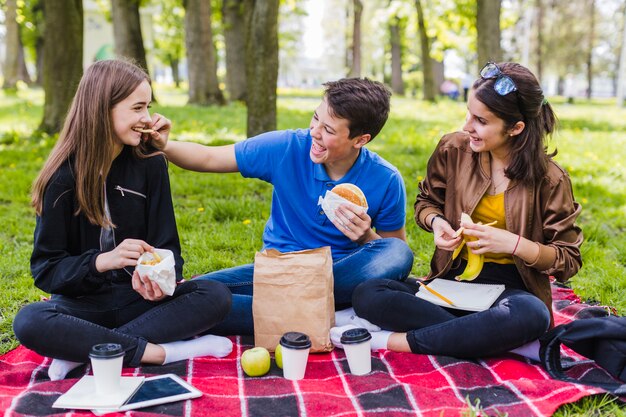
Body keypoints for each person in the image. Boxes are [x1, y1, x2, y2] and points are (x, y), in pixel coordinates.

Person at [331, 62, 583, 359]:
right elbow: (426, 202)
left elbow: (568, 260)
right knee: (369, 293)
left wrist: (513, 244)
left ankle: (388, 341)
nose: (467, 126)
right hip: (451, 283)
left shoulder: (551, 179)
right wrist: (436, 222)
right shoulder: (453, 150)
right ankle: (492, 339)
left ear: (516, 128)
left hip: (509, 292)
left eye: (480, 120)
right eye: (468, 113)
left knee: (531, 314)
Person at [12, 59, 233, 381]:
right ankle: (162, 353)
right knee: (30, 320)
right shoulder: (60, 179)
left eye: (148, 106)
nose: (147, 118)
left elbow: (168, 247)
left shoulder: (150, 164)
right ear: (103, 110)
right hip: (83, 304)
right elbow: (47, 270)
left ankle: (86, 351)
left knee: (215, 296)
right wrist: (103, 262)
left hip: (138, 301)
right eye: (138, 108)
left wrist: (160, 282)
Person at [150, 78, 414, 335]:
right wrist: (165, 145)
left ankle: (294, 313)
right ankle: (325, 314)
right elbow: (209, 157)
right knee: (192, 293)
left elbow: (394, 257)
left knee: (398, 253)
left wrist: (366, 236)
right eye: (315, 118)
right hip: (279, 273)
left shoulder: (385, 178)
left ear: (360, 140)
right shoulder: (287, 148)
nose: (315, 132)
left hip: (340, 274)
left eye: (329, 130)